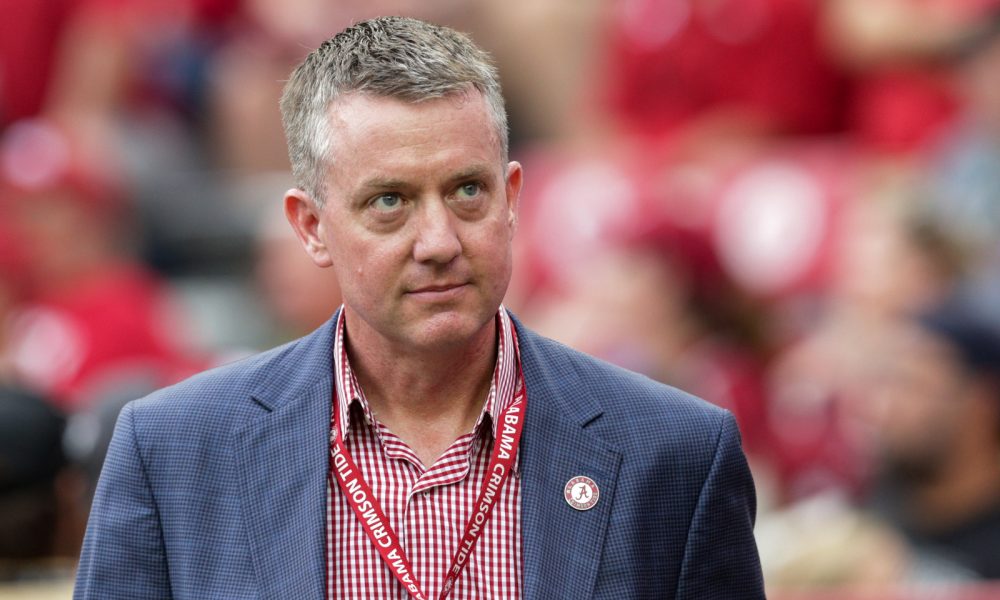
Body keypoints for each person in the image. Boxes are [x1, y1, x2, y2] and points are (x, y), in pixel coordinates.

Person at [74, 16, 764, 599]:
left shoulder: (676, 454)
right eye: (389, 202)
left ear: (512, 198)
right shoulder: (173, 454)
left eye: (467, 191)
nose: (438, 242)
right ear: (311, 227)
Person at [863, 299, 1000, 579]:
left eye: (912, 386)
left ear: (982, 402)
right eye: (886, 385)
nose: (887, 408)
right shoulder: (873, 513)